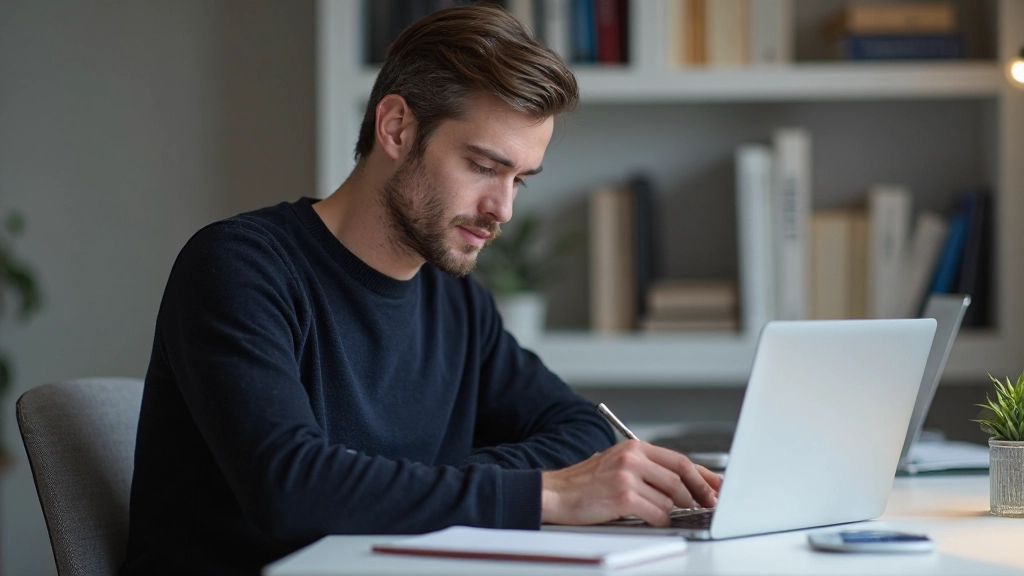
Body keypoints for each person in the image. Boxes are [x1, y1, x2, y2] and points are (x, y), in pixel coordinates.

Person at [121, 5, 720, 575]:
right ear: (397, 127)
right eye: (484, 167)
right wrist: (544, 491)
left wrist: (415, 480)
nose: (502, 209)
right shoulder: (239, 267)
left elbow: (579, 428)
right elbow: (292, 491)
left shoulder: (456, 301)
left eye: (519, 180)